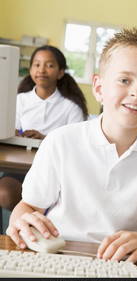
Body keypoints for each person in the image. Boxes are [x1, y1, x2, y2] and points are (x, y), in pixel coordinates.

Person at [6, 26, 137, 263]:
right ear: (99, 88)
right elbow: (28, 206)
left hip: (127, 268)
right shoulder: (60, 142)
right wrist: (21, 219)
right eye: (124, 80)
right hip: (60, 258)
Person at [0, 45, 88, 211]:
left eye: (49, 65)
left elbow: (77, 144)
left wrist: (46, 138)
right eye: (37, 64)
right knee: (4, 193)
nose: (42, 70)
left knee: (59, 202)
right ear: (31, 69)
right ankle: (26, 219)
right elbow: (10, 131)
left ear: (60, 72)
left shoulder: (71, 107)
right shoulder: (19, 100)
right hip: (20, 165)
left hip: (55, 170)